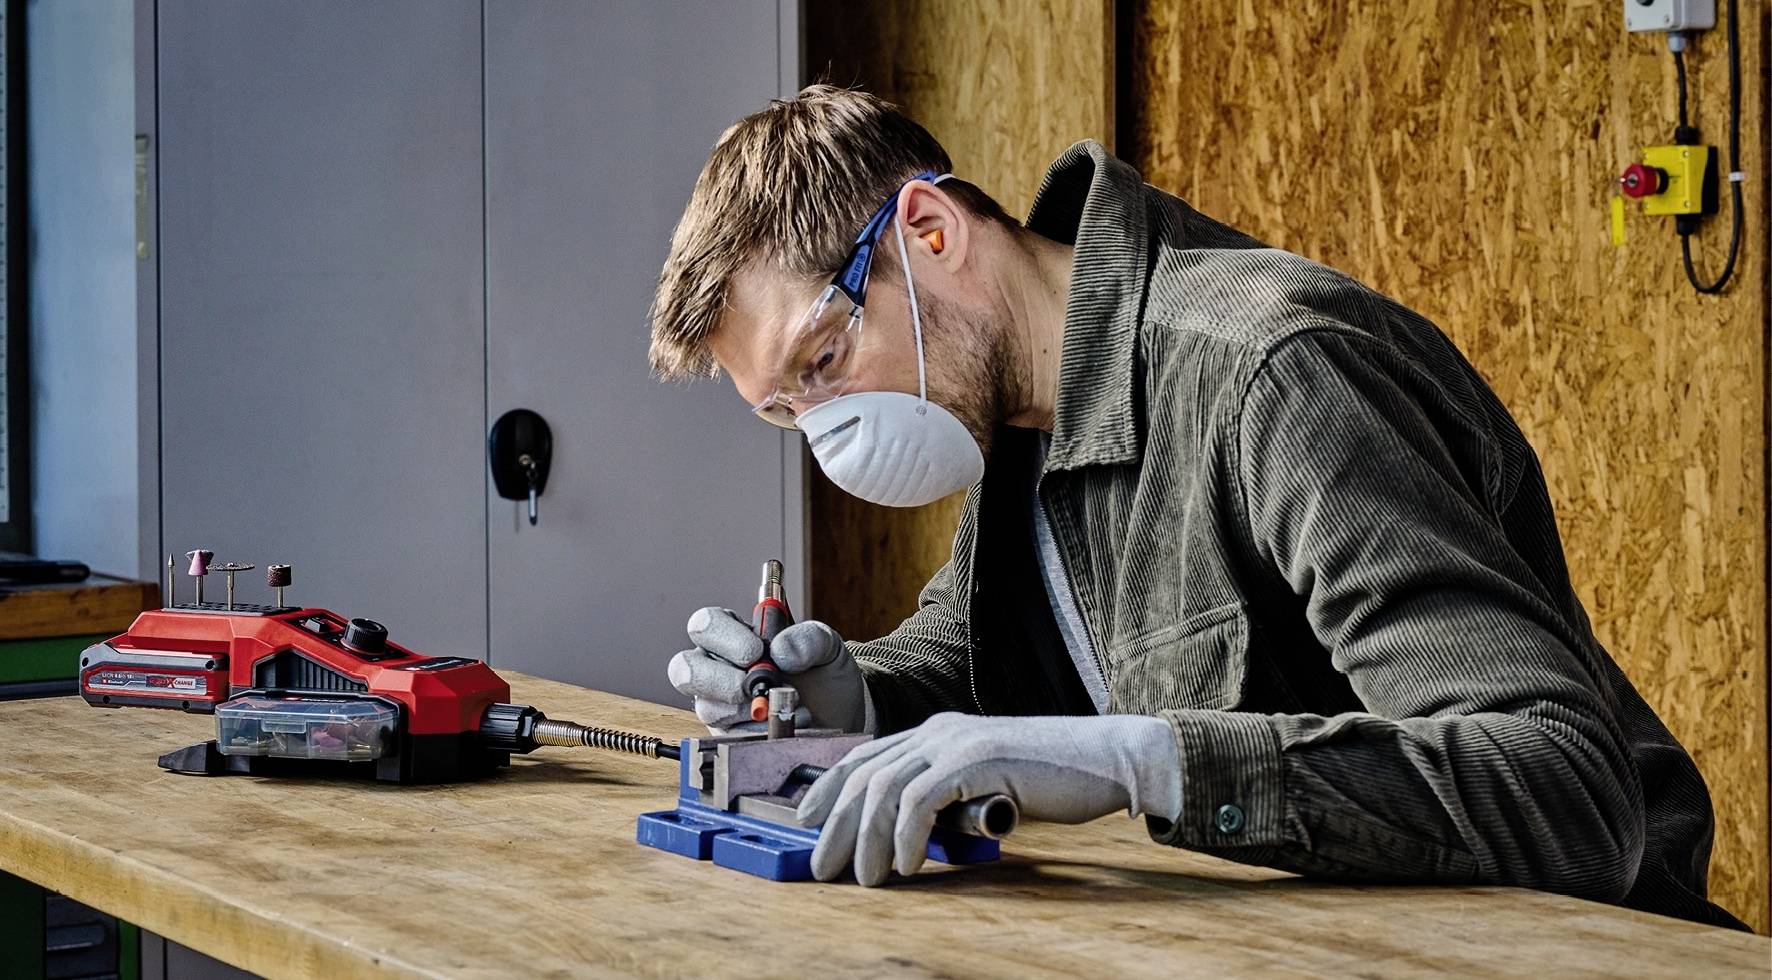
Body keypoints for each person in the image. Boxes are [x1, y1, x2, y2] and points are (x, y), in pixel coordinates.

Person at [647, 85, 1742, 930]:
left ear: (927, 233)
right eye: (788, 411)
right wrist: (850, 699)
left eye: (825, 360)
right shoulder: (1020, 410)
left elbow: (1565, 789)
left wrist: (1147, 761)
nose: (830, 432)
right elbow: (987, 678)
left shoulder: (1275, 377)